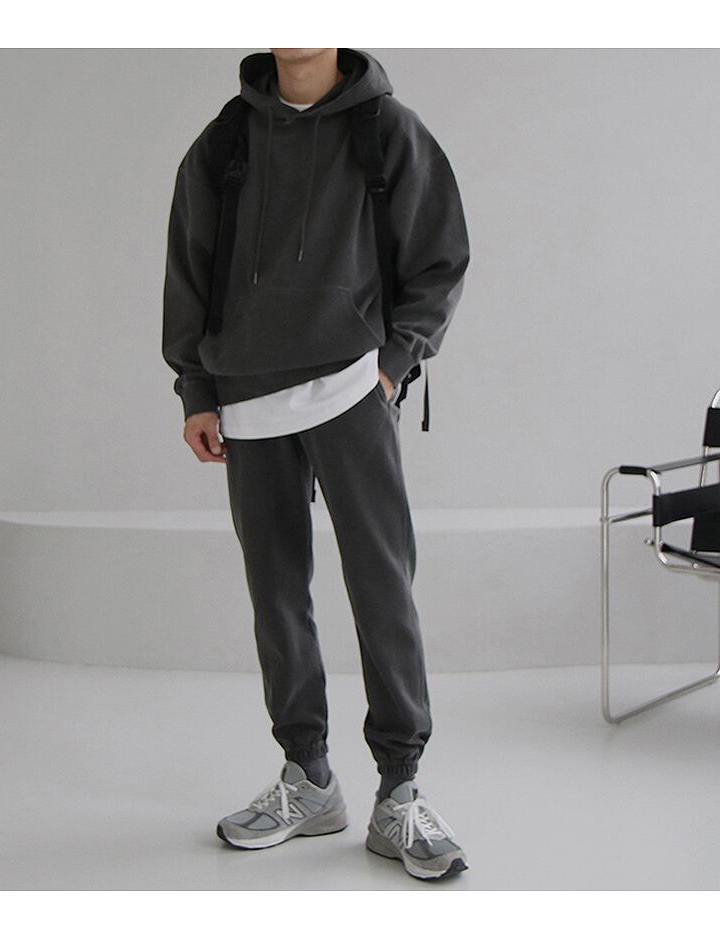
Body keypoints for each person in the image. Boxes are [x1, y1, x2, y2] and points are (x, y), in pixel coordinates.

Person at [162, 47, 470, 881]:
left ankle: (399, 790)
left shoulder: (388, 130)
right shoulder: (224, 141)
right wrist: (196, 389)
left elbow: (440, 257)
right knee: (277, 595)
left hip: (349, 389)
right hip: (246, 398)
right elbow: (188, 268)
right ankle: (309, 778)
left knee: (382, 586)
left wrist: (391, 365)